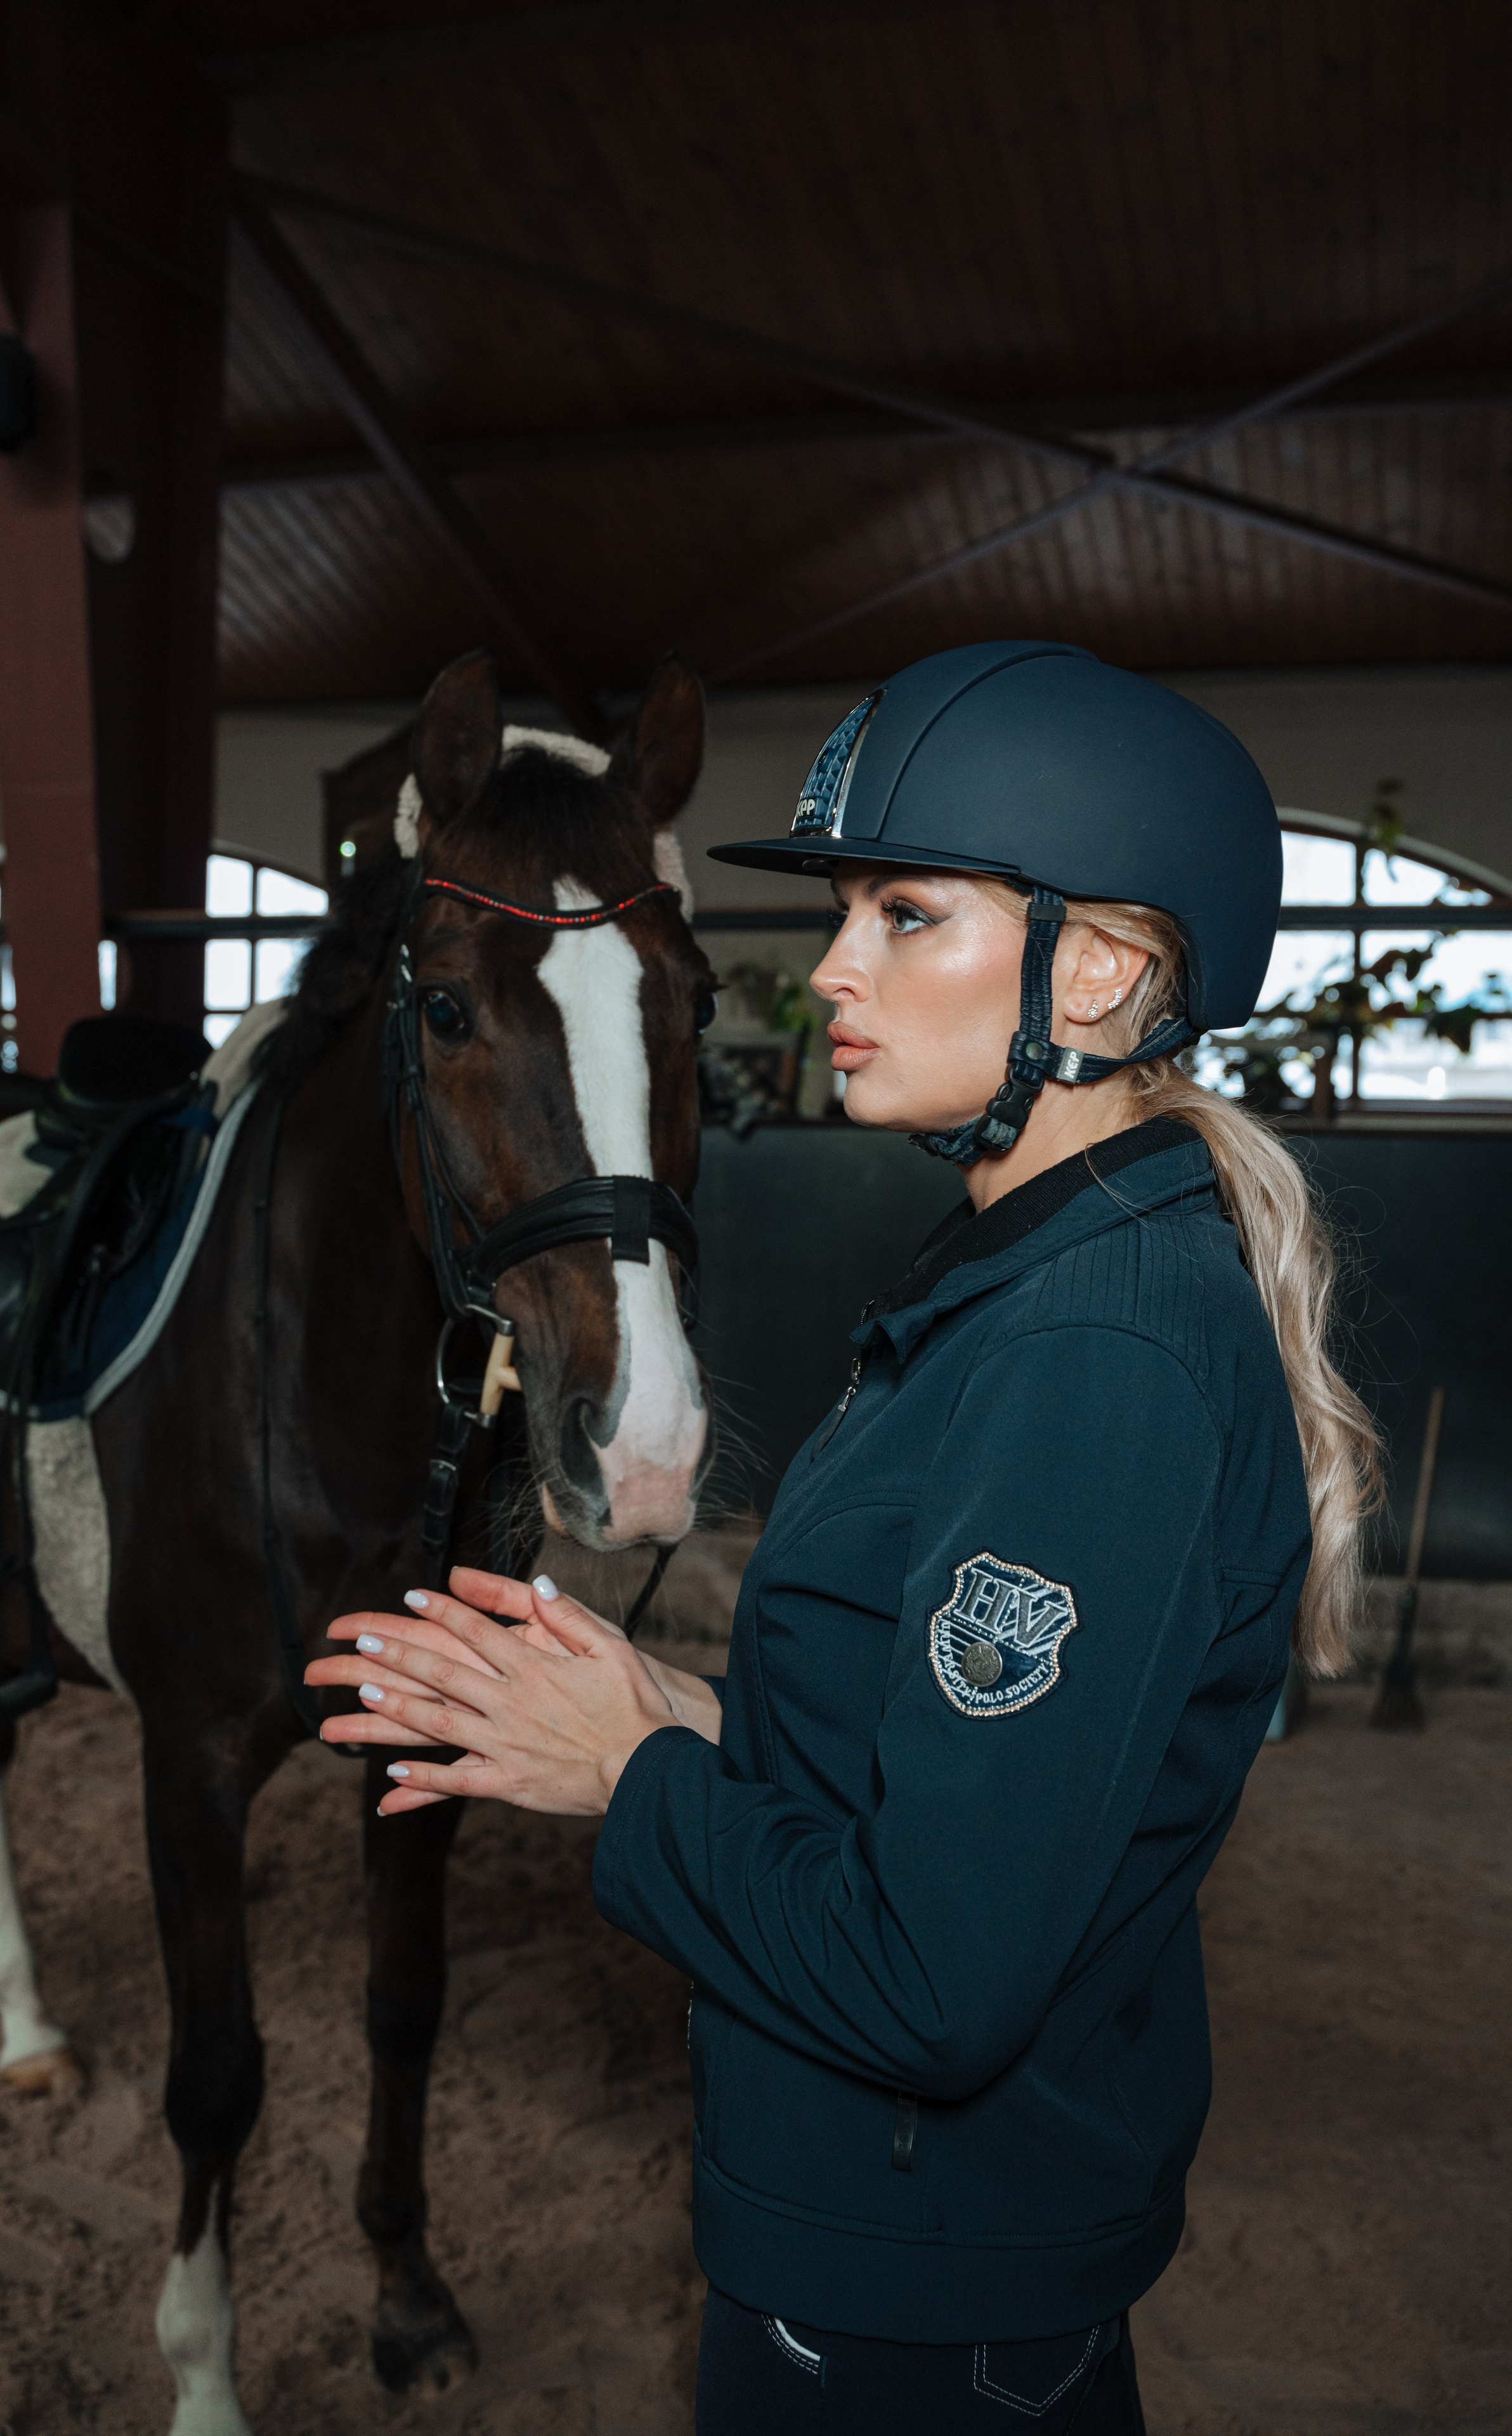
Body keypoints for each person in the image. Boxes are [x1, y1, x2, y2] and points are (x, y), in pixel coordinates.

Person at [307, 641, 1380, 2433]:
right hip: (905, 2247)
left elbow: (934, 1982)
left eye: (904, 914)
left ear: (1098, 970)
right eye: (846, 918)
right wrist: (683, 1709)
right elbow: (961, 1779)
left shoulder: (1089, 1359)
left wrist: (631, 1781)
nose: (829, 975)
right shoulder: (1037, 1288)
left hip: (911, 2303)